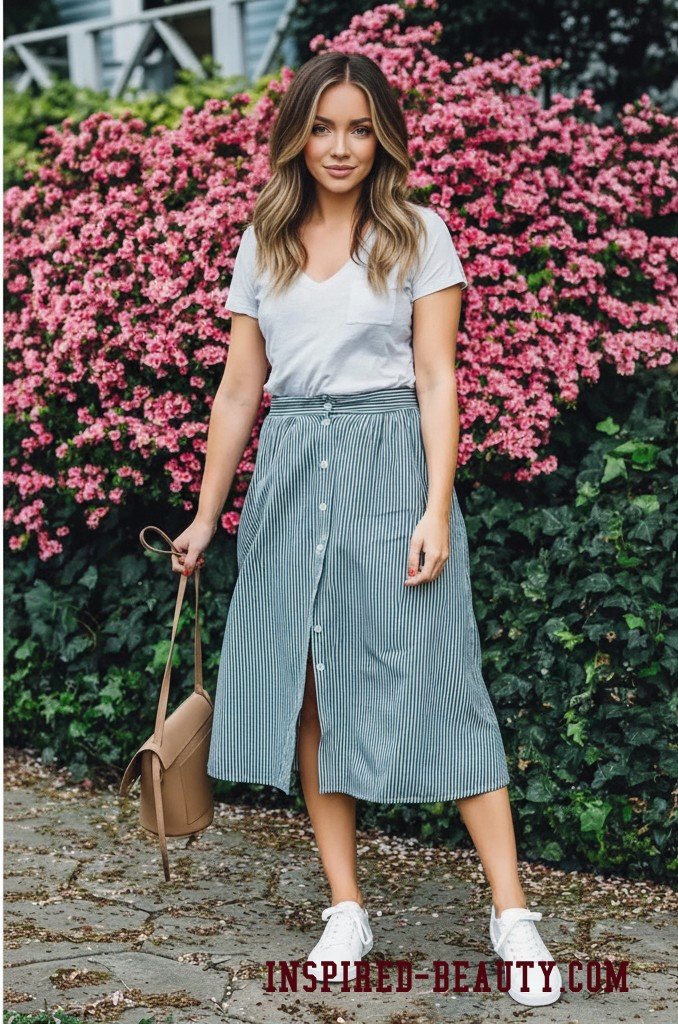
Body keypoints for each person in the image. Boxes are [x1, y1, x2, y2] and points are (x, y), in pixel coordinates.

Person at [171, 52, 562, 1008]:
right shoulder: (263, 240)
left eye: (358, 127)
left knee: (444, 679)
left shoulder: (418, 232)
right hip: (292, 469)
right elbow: (239, 390)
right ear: (296, 135)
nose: (340, 147)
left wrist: (435, 506)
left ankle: (513, 914)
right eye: (322, 127)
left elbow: (436, 377)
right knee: (310, 688)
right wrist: (207, 515)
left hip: (391, 465)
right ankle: (346, 906)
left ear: (382, 134)